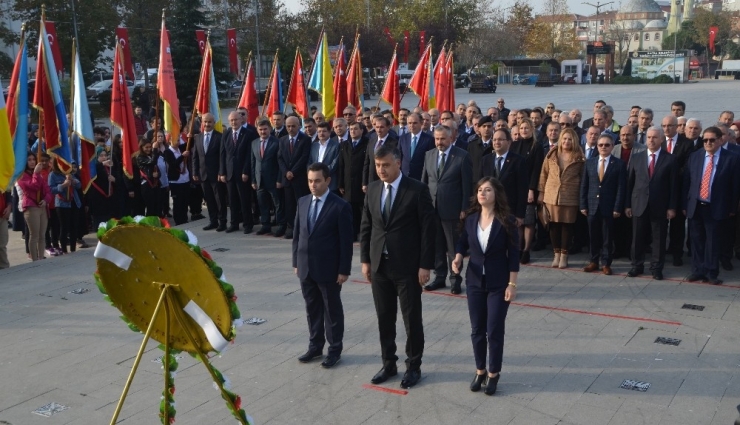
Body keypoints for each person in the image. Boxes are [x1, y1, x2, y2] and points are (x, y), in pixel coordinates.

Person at [360, 145, 435, 389]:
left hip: (408, 267)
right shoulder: (372, 190)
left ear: (398, 163)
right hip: (380, 266)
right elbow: (366, 227)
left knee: (411, 319)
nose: (381, 170)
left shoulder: (417, 190)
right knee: (384, 317)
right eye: (378, 165)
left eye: (386, 165)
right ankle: (388, 363)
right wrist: (365, 260)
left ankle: (413, 366)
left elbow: (427, 230)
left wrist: (425, 265)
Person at [452, 177, 519, 395]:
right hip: (474, 282)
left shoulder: (506, 221)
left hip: (499, 283)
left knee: (494, 330)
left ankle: (493, 373)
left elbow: (514, 255)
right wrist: (459, 256)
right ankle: (480, 370)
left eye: (487, 190)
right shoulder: (471, 219)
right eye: (480, 190)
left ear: (496, 195)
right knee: (477, 329)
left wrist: (512, 284)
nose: (482, 193)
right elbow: (462, 241)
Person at [292, 162, 353, 368]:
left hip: (329, 268)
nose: (313, 185)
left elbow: (346, 242)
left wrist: (344, 269)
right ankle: (315, 346)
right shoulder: (302, 202)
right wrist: (295, 262)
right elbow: (297, 235)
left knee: (331, 310)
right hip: (305, 266)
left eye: (317, 181)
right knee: (312, 308)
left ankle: (334, 349)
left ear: (327, 180)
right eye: (310, 181)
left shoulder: (340, 206)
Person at [683, 126, 740, 285]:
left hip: (716, 207)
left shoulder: (732, 158)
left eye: (711, 140)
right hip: (696, 206)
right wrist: (685, 204)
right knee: (696, 241)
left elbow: (735, 186)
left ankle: (711, 272)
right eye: (705, 140)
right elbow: (687, 182)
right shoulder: (695, 156)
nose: (708, 143)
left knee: (713, 242)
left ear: (720, 140)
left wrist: (732, 208)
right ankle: (697, 270)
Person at [421, 125, 472, 294]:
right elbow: (424, 183)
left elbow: (467, 186)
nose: (439, 142)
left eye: (443, 138)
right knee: (437, 246)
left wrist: (465, 208)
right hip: (432, 209)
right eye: (437, 138)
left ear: (451, 138)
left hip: (452, 210)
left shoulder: (462, 156)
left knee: (453, 248)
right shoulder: (429, 155)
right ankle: (440, 276)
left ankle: (455, 279)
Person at [625, 127, 677, 280]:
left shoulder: (670, 159)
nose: (651, 140)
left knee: (658, 239)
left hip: (659, 206)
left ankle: (656, 268)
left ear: (661, 139)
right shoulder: (636, 157)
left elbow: (674, 186)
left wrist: (672, 207)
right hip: (639, 204)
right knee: (637, 238)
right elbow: (630, 183)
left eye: (655, 137)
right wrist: (628, 204)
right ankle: (637, 266)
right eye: (649, 137)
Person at [538, 128, 585, 269]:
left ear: (574, 140)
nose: (566, 141)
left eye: (569, 139)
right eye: (564, 138)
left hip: (570, 196)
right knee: (553, 226)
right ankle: (556, 254)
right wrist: (541, 192)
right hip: (551, 195)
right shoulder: (551, 154)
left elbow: (583, 178)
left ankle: (564, 255)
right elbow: (543, 174)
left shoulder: (579, 157)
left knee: (567, 226)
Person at [580, 135, 626, 275]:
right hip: (592, 205)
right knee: (593, 236)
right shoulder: (590, 163)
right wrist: (583, 204)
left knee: (607, 237)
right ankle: (593, 261)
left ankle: (606, 263)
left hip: (609, 206)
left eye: (607, 145)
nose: (603, 147)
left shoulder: (619, 164)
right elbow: (584, 185)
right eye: (601, 145)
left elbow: (621, 187)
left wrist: (618, 207)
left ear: (612, 146)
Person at [481, 128, 528, 224]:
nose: (497, 142)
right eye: (494, 140)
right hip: (488, 210)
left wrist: (520, 215)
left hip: (510, 210)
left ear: (509, 142)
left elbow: (522, 190)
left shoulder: (518, 161)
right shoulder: (485, 160)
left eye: (500, 139)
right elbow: (479, 184)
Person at [221, 111, 257, 234]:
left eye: (235, 120)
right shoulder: (226, 134)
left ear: (241, 120)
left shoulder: (248, 134)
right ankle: (234, 224)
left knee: (245, 200)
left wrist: (246, 171)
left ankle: (248, 224)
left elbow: (249, 155)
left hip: (243, 174)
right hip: (230, 173)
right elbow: (223, 155)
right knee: (232, 200)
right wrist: (222, 172)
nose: (233, 122)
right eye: (231, 120)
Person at [192, 113, 227, 231]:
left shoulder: (220, 137)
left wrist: (221, 172)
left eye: (209, 122)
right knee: (209, 200)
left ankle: (222, 222)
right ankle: (213, 221)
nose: (207, 124)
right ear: (202, 123)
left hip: (216, 175)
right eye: (205, 122)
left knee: (219, 200)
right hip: (203, 175)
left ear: (213, 123)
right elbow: (195, 156)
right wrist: (195, 172)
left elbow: (222, 157)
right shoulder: (198, 137)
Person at [279, 116, 311, 240]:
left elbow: (304, 157)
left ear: (299, 126)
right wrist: (286, 172)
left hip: (299, 179)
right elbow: (280, 157)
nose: (291, 129)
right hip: (287, 179)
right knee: (289, 205)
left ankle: (303, 229)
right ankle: (291, 227)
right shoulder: (282, 140)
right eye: (288, 126)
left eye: (293, 126)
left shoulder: (305, 140)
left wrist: (293, 171)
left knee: (302, 205)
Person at [251, 119, 285, 236]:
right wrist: (253, 180)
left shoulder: (277, 142)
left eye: (265, 129)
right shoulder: (254, 143)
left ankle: (281, 225)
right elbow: (253, 163)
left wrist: (280, 179)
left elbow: (281, 163)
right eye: (260, 129)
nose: (263, 131)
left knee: (278, 204)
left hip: (274, 180)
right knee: (262, 204)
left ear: (270, 129)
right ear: (257, 130)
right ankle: (265, 225)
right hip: (259, 180)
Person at [17, 152, 51, 261]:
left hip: (42, 206)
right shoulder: (22, 175)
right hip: (31, 206)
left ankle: (41, 257)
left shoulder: (39, 174)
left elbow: (47, 190)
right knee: (34, 235)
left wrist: (46, 200)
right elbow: (33, 187)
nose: (32, 162)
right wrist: (36, 173)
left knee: (42, 235)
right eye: (29, 160)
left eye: (33, 159)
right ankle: (34, 260)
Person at [338, 121, 369, 239]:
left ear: (361, 130)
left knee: (361, 209)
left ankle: (363, 233)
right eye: (351, 129)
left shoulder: (367, 143)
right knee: (350, 209)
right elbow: (341, 165)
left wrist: (365, 182)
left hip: (361, 182)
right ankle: (352, 232)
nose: (353, 131)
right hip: (347, 183)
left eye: (355, 129)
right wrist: (340, 183)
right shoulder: (344, 145)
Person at [398, 113, 434, 181]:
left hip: (420, 177)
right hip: (404, 176)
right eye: (409, 123)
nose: (412, 125)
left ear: (421, 123)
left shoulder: (429, 139)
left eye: (415, 123)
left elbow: (430, 161)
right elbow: (399, 157)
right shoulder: (402, 138)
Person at [86, 148, 114, 229]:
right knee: (99, 221)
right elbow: (92, 171)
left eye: (105, 155)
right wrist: (102, 164)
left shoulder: (109, 166)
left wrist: (114, 179)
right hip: (97, 197)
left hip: (108, 197)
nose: (104, 157)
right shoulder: (95, 166)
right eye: (101, 156)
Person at [309, 122, 340, 192]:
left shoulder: (336, 145)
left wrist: (321, 173)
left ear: (329, 132)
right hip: (315, 183)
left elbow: (334, 164)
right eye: (319, 131)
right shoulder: (314, 145)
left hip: (330, 183)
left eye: (324, 131)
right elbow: (310, 162)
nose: (321, 133)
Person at [0, 190, 9, 268]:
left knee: (2, 244)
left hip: (2, 216)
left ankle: (4, 267)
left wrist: (9, 206)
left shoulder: (2, 179)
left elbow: (8, 192)